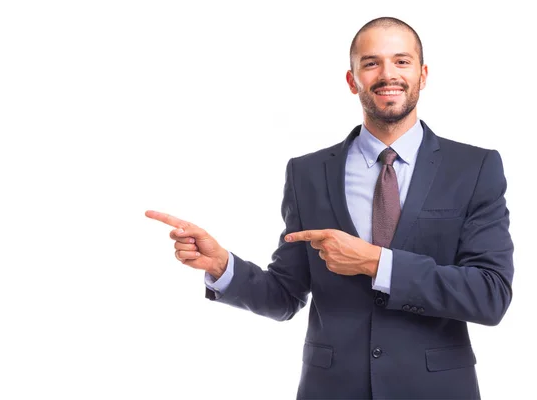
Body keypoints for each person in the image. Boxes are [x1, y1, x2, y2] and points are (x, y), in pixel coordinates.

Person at [145, 16, 514, 399]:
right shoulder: (306, 173)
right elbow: (286, 294)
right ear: (352, 80)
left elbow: (490, 295)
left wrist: (375, 262)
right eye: (371, 63)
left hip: (436, 389)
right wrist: (223, 266)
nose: (388, 74)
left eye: (401, 61)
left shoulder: (474, 168)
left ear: (422, 75)